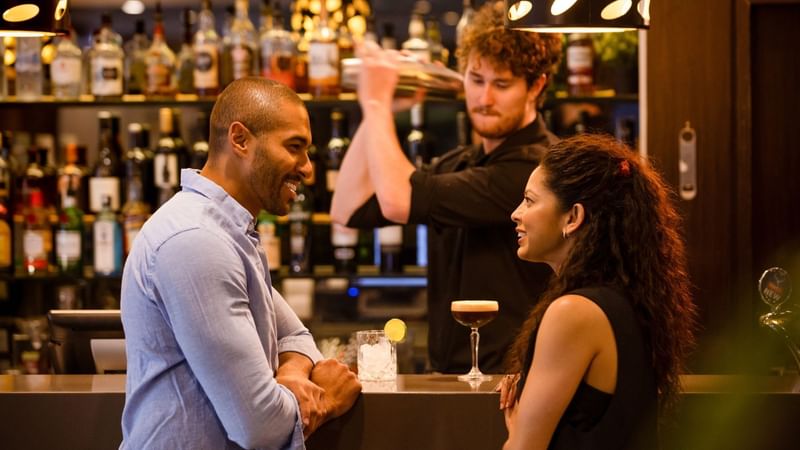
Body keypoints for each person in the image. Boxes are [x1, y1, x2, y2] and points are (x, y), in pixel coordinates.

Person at [120, 78, 361, 449]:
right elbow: (259, 427)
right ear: (240, 139)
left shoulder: (228, 232)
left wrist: (292, 374)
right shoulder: (196, 240)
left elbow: (297, 337)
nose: (308, 168)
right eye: (294, 147)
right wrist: (324, 399)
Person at [330, 1, 562, 374]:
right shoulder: (458, 163)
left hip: (513, 381)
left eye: (501, 84)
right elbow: (347, 208)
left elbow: (397, 200)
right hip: (448, 376)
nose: (484, 99)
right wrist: (384, 108)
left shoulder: (539, 167)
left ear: (536, 86)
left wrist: (374, 102)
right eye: (476, 80)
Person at [499, 134, 697, 449]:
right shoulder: (627, 301)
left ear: (573, 217)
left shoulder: (573, 312)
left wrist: (516, 425)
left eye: (529, 200)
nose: (516, 213)